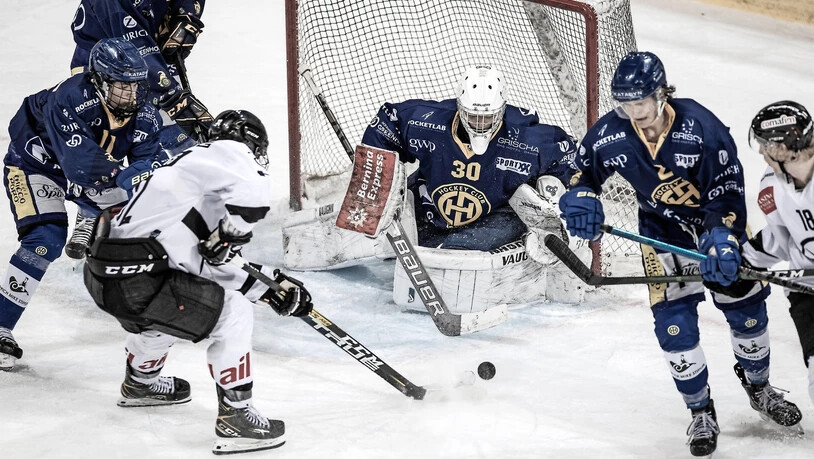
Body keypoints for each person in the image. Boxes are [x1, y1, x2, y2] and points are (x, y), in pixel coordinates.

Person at [559, 51, 802, 456]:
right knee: (675, 327)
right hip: (661, 234)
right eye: (626, 104)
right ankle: (700, 411)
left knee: (746, 311)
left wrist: (721, 236)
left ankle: (760, 389)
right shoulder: (611, 134)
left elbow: (727, 189)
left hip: (716, 229)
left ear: (661, 94)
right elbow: (580, 169)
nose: (634, 112)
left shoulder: (702, 128)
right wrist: (580, 195)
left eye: (641, 102)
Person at [82, 110, 312, 454]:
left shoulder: (186, 176)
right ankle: (237, 418)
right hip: (141, 283)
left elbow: (202, 263)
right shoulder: (229, 153)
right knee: (233, 312)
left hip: (106, 281)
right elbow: (253, 200)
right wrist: (232, 235)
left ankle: (141, 383)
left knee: (170, 309)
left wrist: (270, 288)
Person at [283, 64, 582, 312]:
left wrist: (558, 195)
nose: (480, 125)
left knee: (449, 257)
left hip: (493, 218)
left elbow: (572, 158)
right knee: (363, 220)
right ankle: (410, 242)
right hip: (427, 211)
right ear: (459, 107)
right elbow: (386, 122)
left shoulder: (527, 140)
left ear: (502, 111)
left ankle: (439, 251)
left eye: (488, 118)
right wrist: (378, 180)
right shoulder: (429, 122)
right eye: (473, 116)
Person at [0, 38, 193, 371]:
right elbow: (82, 166)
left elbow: (147, 162)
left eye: (135, 85)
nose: (131, 94)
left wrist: (142, 178)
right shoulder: (70, 98)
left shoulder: (143, 109)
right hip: (35, 165)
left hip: (94, 174)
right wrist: (128, 177)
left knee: (144, 222)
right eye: (122, 86)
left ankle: (94, 217)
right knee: (45, 240)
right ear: (100, 82)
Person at [67, 0, 214, 259]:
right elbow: (135, 44)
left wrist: (187, 15)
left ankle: (201, 199)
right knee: (105, 139)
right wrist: (174, 98)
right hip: (103, 62)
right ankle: (90, 211)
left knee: (177, 134)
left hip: (153, 48)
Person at [742, 100, 814, 408]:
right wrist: (743, 260)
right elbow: (781, 240)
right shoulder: (771, 188)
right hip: (807, 291)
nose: (760, 151)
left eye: (765, 144)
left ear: (785, 146)